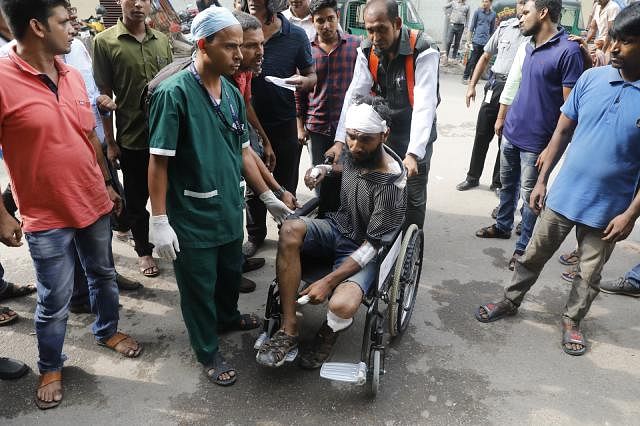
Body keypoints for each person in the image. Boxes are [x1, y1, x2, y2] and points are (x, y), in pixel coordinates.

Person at [475, 2, 640, 356]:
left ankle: (572, 320)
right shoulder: (592, 78)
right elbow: (563, 130)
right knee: (533, 254)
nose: (611, 48)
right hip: (564, 195)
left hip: (609, 211)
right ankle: (510, 299)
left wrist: (630, 215)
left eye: (624, 42)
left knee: (589, 274)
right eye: (612, 39)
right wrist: (543, 178)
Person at [0, 0, 142, 409]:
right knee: (54, 297)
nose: (73, 28)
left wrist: (108, 185)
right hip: (45, 216)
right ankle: (50, 364)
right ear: (37, 26)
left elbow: (89, 138)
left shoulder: (73, 74)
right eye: (64, 21)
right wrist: (2, 214)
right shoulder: (4, 79)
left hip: (93, 202)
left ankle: (108, 330)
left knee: (103, 274)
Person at [148, 7, 285, 386]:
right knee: (198, 287)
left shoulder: (230, 92)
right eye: (230, 47)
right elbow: (158, 162)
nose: (240, 56)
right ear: (203, 45)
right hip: (192, 215)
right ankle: (207, 350)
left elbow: (243, 152)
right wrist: (159, 220)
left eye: (241, 46)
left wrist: (268, 195)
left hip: (226, 208)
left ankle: (226, 317)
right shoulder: (173, 95)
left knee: (229, 274)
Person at [256, 96, 407, 368]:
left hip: (366, 248)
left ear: (384, 135)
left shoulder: (390, 184)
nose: (355, 146)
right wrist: (323, 169)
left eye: (364, 140)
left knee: (342, 306)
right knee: (289, 227)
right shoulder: (356, 151)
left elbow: (371, 247)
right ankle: (288, 329)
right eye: (350, 137)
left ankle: (329, 332)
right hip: (339, 225)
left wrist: (329, 281)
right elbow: (343, 166)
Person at [475, 0, 584, 271]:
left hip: (537, 143)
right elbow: (517, 84)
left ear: (543, 13)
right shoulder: (529, 46)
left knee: (530, 198)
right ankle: (502, 226)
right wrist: (503, 117)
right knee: (506, 187)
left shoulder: (568, 51)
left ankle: (523, 248)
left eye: (525, 13)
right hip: (512, 132)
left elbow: (569, 110)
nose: (520, 18)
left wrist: (552, 148)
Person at [326, 0, 439, 230]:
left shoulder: (423, 48)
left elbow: (424, 105)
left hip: (415, 131)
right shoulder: (367, 49)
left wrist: (414, 154)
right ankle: (379, 235)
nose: (375, 36)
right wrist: (340, 141)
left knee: (413, 194)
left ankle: (410, 247)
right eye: (370, 30)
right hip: (384, 130)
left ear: (397, 23)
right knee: (377, 182)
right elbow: (354, 96)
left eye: (381, 29)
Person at [93, 0, 173, 278]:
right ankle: (144, 250)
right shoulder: (104, 42)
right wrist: (111, 142)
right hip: (132, 138)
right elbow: (104, 96)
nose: (138, 4)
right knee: (137, 202)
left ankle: (174, 242)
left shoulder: (162, 40)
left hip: (167, 136)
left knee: (171, 196)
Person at [230, 10, 300, 292]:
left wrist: (264, 138)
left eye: (262, 45)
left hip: (242, 147)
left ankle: (235, 263)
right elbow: (243, 153)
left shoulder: (245, 74)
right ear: (234, 47)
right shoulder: (223, 84)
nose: (261, 53)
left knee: (237, 206)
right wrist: (274, 194)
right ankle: (229, 275)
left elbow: (247, 109)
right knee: (231, 213)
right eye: (251, 46)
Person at [243, 0, 317, 257]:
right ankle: (254, 234)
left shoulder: (295, 35)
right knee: (253, 181)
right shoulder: (238, 29)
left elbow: (312, 75)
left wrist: (305, 81)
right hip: (248, 121)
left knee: (285, 180)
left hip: (284, 121)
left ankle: (287, 230)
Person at [457, 0, 528, 194]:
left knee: (504, 139)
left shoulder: (534, 35)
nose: (522, 7)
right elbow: (485, 56)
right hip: (495, 85)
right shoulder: (505, 28)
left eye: (527, 3)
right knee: (482, 134)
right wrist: (471, 85)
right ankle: (472, 177)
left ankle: (498, 183)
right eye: (521, 2)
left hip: (517, 91)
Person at [295, 0, 359, 203]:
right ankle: (324, 218)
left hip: (350, 128)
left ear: (337, 18)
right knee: (319, 176)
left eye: (330, 19)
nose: (326, 25)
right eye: (320, 20)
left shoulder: (355, 46)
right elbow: (299, 92)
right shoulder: (306, 50)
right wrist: (300, 127)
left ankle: (347, 218)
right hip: (317, 126)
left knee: (349, 174)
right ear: (312, 22)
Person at [462, 0, 497, 83]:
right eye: (483, 1)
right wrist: (468, 41)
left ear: (490, 3)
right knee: (472, 60)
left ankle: (473, 79)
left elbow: (491, 30)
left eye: (486, 1)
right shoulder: (477, 12)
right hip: (476, 41)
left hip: (485, 42)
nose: (484, 3)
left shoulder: (493, 14)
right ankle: (465, 77)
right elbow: (472, 27)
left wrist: (490, 43)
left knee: (479, 62)